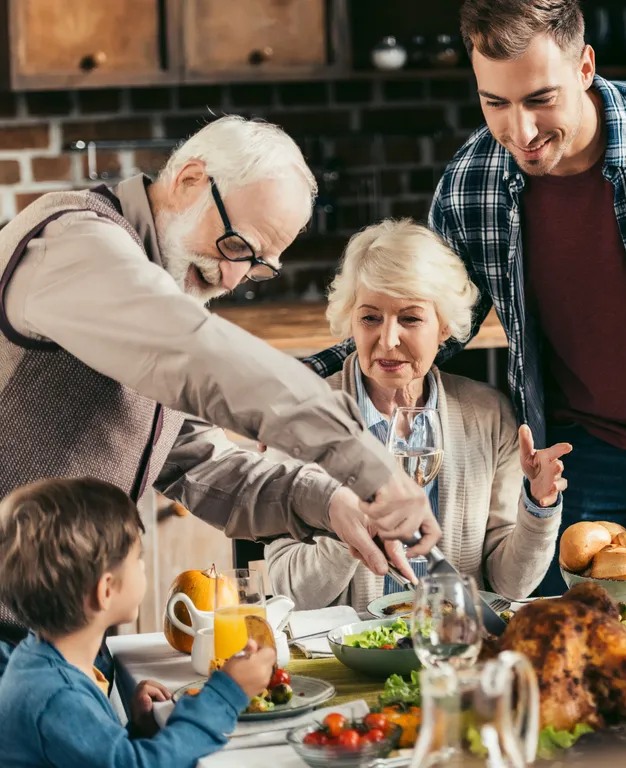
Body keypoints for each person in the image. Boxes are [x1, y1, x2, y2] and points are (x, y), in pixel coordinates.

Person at [307, 0, 626, 605]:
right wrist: (291, 386)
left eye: (539, 99)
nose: (519, 132)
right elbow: (430, 320)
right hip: (583, 463)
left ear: (585, 67)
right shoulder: (471, 184)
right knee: (584, 664)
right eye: (495, 103)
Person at [0, 115, 437, 653]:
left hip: (53, 633)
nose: (232, 279)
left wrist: (330, 503)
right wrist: (364, 459)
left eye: (256, 268)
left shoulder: (154, 286)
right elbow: (195, 349)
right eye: (236, 246)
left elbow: (195, 462)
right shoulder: (76, 242)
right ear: (189, 180)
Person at [266, 219, 568, 610]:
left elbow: (510, 586)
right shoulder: (300, 418)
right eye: (370, 317)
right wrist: (351, 531)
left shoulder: (489, 416)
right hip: (347, 650)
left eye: (410, 318)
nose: (388, 340)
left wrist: (539, 506)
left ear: (443, 327)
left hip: (455, 644)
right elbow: (287, 590)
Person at [0, 477, 278, 767]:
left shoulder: (41, 661)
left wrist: (137, 733)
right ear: (106, 591)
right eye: (137, 558)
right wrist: (226, 693)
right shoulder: (57, 697)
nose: (142, 565)